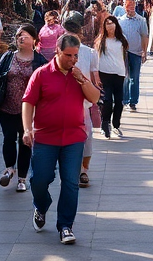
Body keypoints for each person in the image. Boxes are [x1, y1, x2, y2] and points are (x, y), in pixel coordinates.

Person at [23, 34, 101, 245]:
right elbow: (28, 102)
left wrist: (82, 79)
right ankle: (41, 205)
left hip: (74, 138)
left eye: (75, 56)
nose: (73, 60)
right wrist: (27, 129)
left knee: (70, 183)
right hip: (45, 137)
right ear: (57, 51)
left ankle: (66, 226)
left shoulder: (79, 76)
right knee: (39, 180)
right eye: (68, 55)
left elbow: (94, 98)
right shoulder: (41, 74)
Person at [0, 25, 47, 193]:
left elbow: (44, 84)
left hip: (28, 110)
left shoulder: (40, 60)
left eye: (25, 35)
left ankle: (22, 178)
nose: (21, 38)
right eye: (19, 35)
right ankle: (9, 169)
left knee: (25, 142)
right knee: (8, 138)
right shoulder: (8, 57)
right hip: (6, 107)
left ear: (34, 40)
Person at [63, 15, 101, 188]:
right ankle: (71, 168)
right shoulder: (60, 53)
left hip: (83, 103)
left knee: (87, 138)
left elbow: (95, 78)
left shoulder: (89, 53)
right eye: (66, 32)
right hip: (64, 102)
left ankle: (84, 170)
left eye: (72, 32)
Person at [94, 15, 129, 139]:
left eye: (112, 23)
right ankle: (105, 123)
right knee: (107, 100)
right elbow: (96, 58)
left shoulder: (121, 39)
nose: (110, 25)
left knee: (119, 101)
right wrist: (96, 75)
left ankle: (116, 123)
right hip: (105, 73)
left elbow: (125, 56)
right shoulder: (101, 40)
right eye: (107, 23)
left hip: (119, 73)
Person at [116, 0, 149, 112]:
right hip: (123, 53)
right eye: (127, 5)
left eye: (131, 5)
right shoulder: (120, 20)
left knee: (134, 78)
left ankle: (133, 101)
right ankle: (124, 100)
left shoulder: (141, 20)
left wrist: (144, 52)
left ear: (134, 6)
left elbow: (144, 36)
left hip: (136, 52)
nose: (129, 8)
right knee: (124, 77)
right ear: (124, 6)